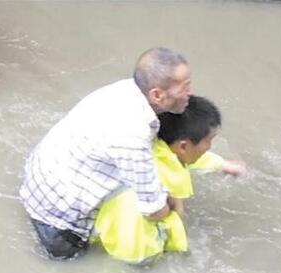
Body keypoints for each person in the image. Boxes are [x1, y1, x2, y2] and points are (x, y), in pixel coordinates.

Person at [19, 47, 192, 259]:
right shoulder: (133, 134)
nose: (189, 93)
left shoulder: (123, 89)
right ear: (157, 95)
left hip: (37, 187)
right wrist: (175, 209)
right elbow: (153, 211)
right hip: (58, 227)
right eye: (184, 87)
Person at [92, 95, 244, 264]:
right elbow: (135, 257)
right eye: (209, 140)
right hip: (131, 251)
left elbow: (182, 158)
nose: (210, 147)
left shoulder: (152, 147)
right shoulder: (142, 200)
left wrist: (220, 164)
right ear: (183, 146)